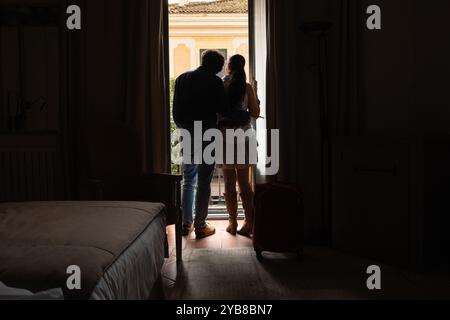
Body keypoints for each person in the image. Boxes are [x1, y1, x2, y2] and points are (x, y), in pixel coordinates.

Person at [173, 50, 227, 239]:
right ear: (217, 67)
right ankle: (200, 225)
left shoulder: (182, 78)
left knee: (188, 179)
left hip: (187, 132)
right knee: (204, 180)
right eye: (221, 66)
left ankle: (185, 224)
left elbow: (176, 112)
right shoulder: (215, 82)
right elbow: (222, 109)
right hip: (207, 133)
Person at [219, 54, 260, 237]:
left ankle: (232, 222)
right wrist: (255, 98)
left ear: (228, 67)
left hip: (224, 136)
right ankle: (249, 223)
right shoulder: (247, 87)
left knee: (228, 183)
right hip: (243, 136)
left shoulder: (221, 85)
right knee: (244, 183)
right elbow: (256, 113)